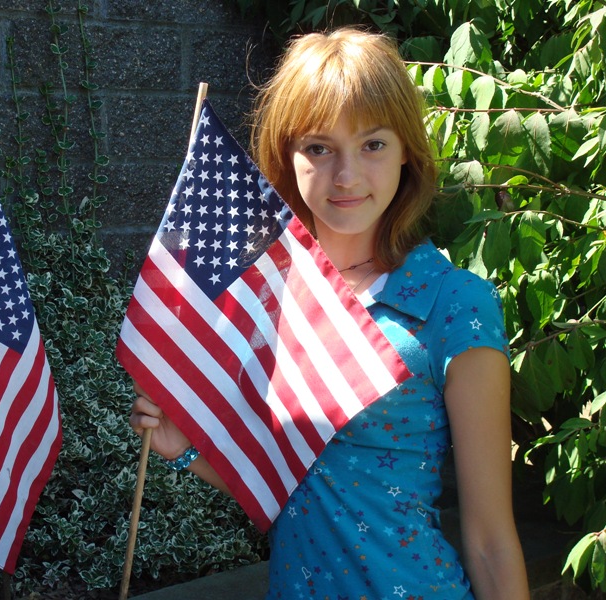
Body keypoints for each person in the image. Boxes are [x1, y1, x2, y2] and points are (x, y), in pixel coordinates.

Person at [129, 26, 529, 599]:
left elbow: (490, 540)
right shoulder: (266, 295)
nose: (346, 176)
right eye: (319, 147)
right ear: (286, 156)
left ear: (407, 151)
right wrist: (184, 448)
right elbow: (295, 487)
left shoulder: (455, 304)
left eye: (373, 144)